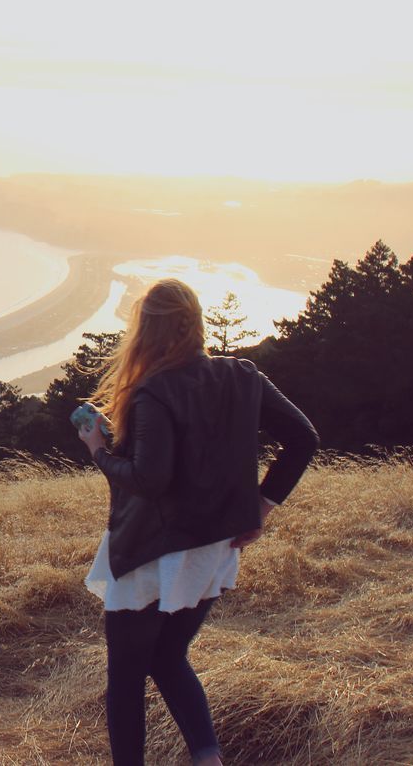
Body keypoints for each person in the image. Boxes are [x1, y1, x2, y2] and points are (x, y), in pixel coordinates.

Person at [75, 279, 318, 766]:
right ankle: (209, 760)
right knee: (167, 658)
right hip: (211, 549)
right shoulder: (243, 374)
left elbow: (149, 478)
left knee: (125, 678)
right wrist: (261, 507)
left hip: (151, 550)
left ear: (144, 330)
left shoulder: (150, 393)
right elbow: (304, 438)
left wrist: (98, 451)